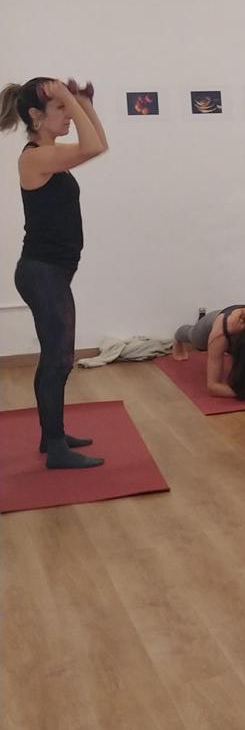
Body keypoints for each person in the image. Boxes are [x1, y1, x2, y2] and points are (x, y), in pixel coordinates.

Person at [1, 77, 108, 469]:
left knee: (56, 357)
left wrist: (83, 101)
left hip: (52, 272)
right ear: (35, 115)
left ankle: (52, 438)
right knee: (58, 358)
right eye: (59, 110)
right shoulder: (34, 158)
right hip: (41, 272)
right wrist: (67, 96)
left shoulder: (51, 154)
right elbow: (92, 146)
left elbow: (99, 143)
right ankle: (57, 447)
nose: (67, 117)